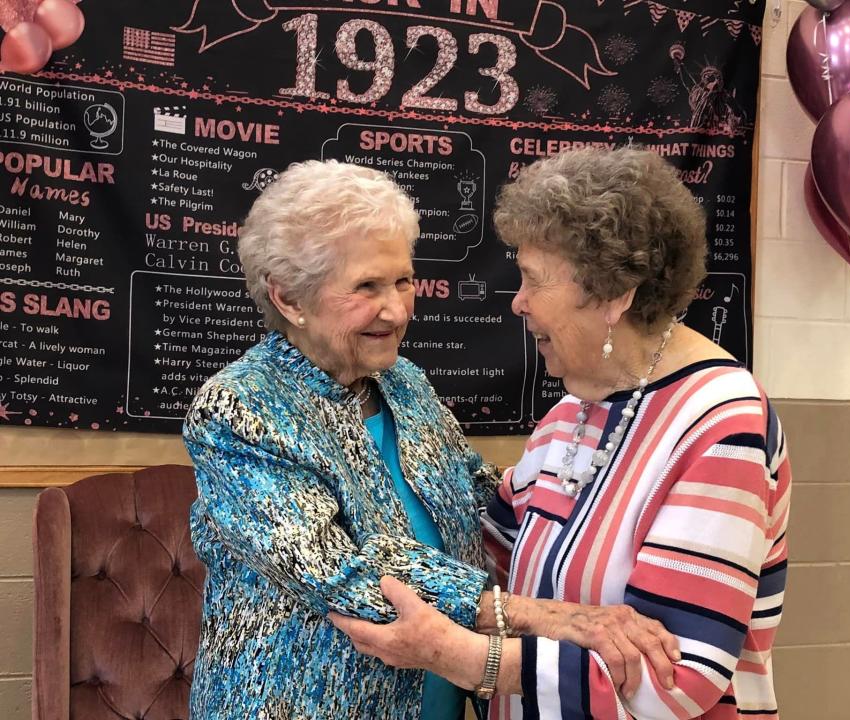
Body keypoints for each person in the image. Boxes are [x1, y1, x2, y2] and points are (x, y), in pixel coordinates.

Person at [183, 159, 681, 720]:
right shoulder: (238, 408)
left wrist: (605, 495)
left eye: (402, 280)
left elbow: (478, 497)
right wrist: (539, 615)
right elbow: (341, 571)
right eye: (366, 287)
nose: (395, 310)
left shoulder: (404, 383)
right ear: (289, 299)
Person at [331, 146, 793, 720]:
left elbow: (674, 678)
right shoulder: (570, 416)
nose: (518, 302)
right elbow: (484, 554)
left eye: (532, 280)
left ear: (611, 296)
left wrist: (457, 655)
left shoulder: (722, 425)